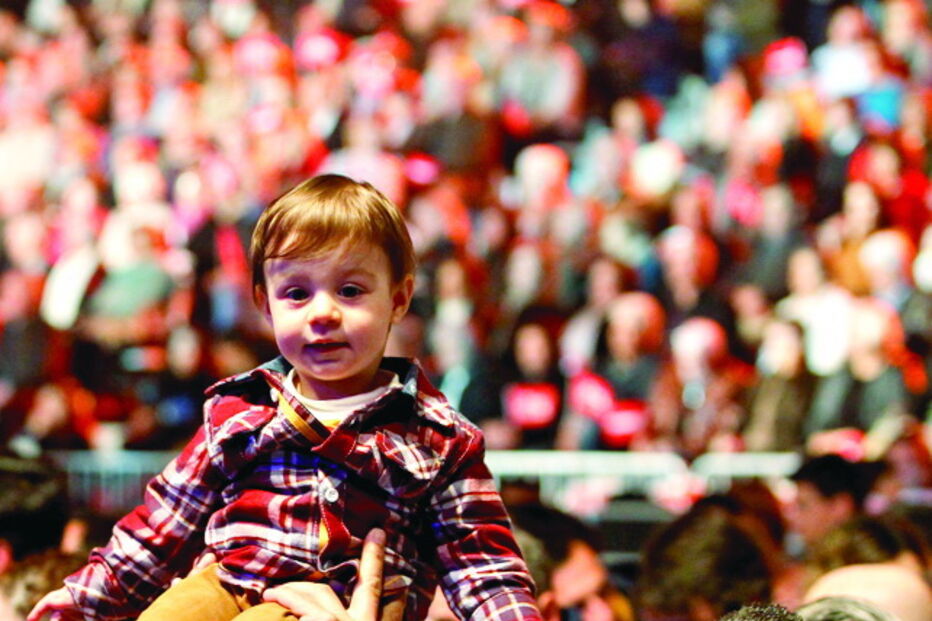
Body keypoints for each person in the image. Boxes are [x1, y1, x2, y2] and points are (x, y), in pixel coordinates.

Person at [29, 175, 540, 621]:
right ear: (265, 305)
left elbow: (485, 569)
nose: (322, 313)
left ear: (400, 298)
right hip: (227, 584)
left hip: (345, 601)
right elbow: (154, 534)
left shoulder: (438, 437)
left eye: (351, 291)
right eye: (297, 293)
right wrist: (70, 606)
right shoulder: (237, 413)